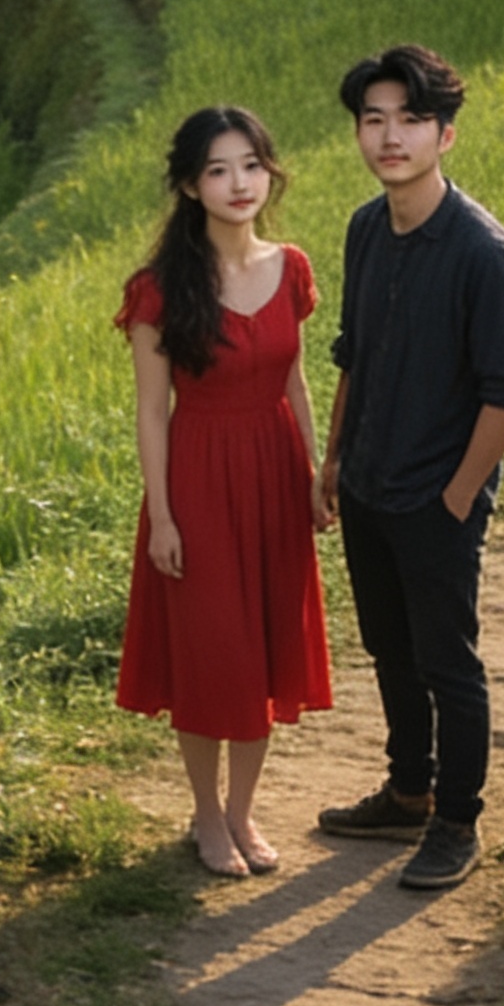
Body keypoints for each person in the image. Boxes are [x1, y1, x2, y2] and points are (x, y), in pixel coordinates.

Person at [313, 43, 504, 894]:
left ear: (445, 135)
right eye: (374, 120)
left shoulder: (483, 253)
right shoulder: (367, 228)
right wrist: (334, 460)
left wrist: (457, 496)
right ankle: (408, 790)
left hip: (435, 500)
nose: (389, 137)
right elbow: (354, 355)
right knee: (388, 648)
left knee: (448, 662)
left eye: (410, 120)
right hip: (368, 484)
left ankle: (455, 819)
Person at [115, 103, 333, 875]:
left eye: (251, 165)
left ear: (270, 172)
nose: (239, 183)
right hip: (199, 480)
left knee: (266, 645)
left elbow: (298, 382)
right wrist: (164, 518)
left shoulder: (293, 268)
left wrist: (313, 475)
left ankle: (243, 813)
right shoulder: (158, 289)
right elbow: (151, 411)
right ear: (188, 185)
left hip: (274, 476)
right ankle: (206, 815)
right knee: (215, 653)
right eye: (218, 169)